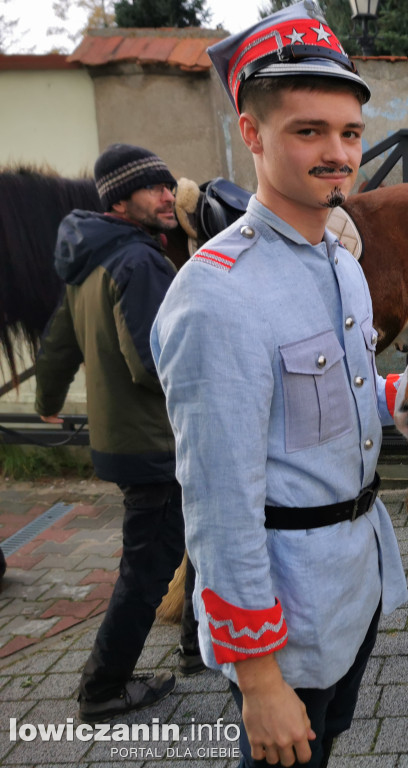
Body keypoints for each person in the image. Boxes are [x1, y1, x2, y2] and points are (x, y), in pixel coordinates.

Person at [151, 3, 407, 766]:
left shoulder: (339, 261)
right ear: (252, 134)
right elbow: (220, 506)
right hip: (284, 621)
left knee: (324, 746)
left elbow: (341, 405)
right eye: (309, 131)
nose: (338, 153)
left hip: (349, 591)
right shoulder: (217, 296)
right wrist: (257, 680)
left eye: (350, 133)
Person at [33, 143, 201, 722]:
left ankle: (197, 647)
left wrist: (47, 402)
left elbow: (56, 343)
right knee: (149, 568)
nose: (167, 196)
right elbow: (153, 363)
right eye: (152, 189)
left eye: (166, 185)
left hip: (121, 441)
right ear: (120, 200)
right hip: (153, 442)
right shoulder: (139, 260)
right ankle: (103, 688)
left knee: (188, 540)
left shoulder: (89, 258)